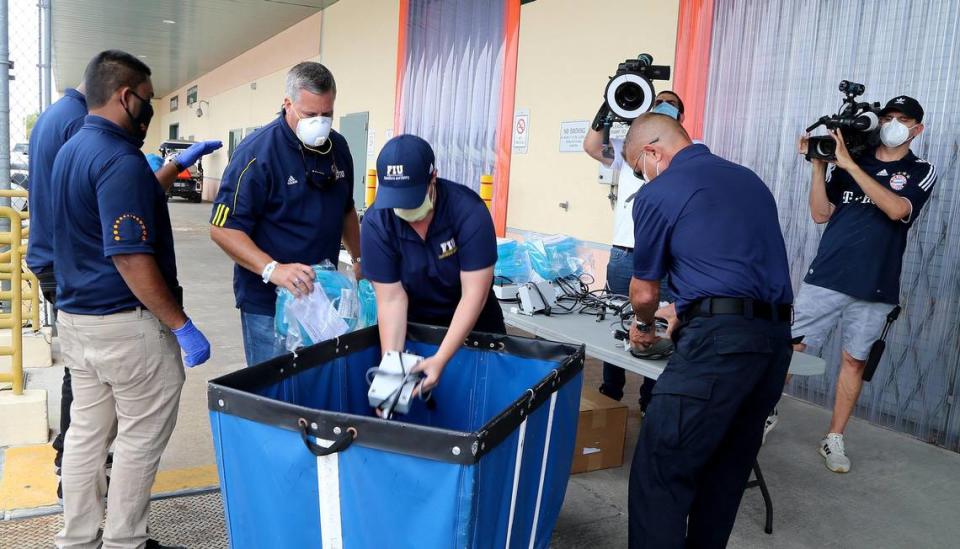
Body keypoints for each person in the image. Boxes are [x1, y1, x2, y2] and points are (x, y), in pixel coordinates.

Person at [24, 67, 219, 502]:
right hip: (119, 313)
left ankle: (79, 535)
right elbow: (129, 254)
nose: (150, 111)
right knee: (139, 436)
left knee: (85, 435)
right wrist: (180, 325)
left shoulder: (69, 141)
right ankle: (125, 540)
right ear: (125, 96)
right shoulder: (117, 155)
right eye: (148, 98)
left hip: (77, 308)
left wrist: (170, 168)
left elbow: (109, 204)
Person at [624, 113, 793, 548]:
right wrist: (689, 308)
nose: (641, 178)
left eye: (637, 168)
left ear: (652, 153)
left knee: (661, 471)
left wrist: (644, 326)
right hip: (773, 344)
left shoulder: (659, 191)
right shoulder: (748, 179)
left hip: (717, 348)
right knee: (724, 472)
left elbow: (643, 291)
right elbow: (734, 265)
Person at [785, 96, 937, 473]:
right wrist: (820, 168)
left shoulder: (920, 170)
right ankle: (762, 413)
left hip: (876, 284)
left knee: (854, 360)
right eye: (888, 116)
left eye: (903, 119)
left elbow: (899, 209)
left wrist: (850, 164)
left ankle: (834, 437)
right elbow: (820, 213)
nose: (893, 123)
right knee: (793, 349)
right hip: (828, 275)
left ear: (917, 129)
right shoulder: (853, 161)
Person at [210, 61, 360, 367]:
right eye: (310, 114)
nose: (320, 122)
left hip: (322, 298)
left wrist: (360, 258)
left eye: (327, 114)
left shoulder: (339, 148)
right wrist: (272, 269)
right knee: (276, 391)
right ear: (287, 104)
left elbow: (346, 209)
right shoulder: (257, 153)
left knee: (317, 385)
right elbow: (223, 228)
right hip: (269, 304)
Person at [361, 135, 504, 393]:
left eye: (411, 199)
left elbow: (475, 294)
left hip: (475, 323)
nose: (404, 209)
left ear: (433, 178)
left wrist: (441, 358)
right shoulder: (376, 223)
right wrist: (391, 375)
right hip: (417, 326)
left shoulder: (468, 211)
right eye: (396, 201)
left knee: (480, 400)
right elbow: (391, 300)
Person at [582, 90, 685, 409]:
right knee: (618, 321)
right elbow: (590, 146)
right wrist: (608, 106)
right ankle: (611, 392)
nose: (665, 106)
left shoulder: (681, 156)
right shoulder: (628, 151)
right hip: (624, 255)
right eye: (659, 102)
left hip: (667, 260)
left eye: (673, 104)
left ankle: (650, 400)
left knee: (661, 327)